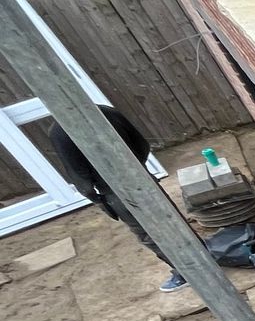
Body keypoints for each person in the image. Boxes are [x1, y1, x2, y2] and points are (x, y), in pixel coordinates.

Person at [48, 105, 191, 292]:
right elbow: (142, 145)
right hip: (142, 177)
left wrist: (97, 198)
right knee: (171, 219)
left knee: (149, 234)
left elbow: (79, 175)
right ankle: (202, 256)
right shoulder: (106, 111)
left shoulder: (60, 131)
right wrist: (136, 168)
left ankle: (186, 273)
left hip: (115, 191)